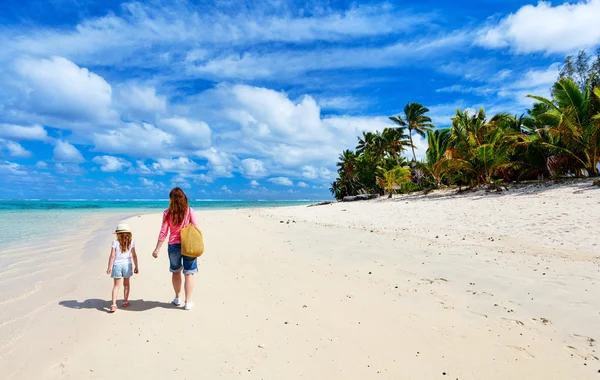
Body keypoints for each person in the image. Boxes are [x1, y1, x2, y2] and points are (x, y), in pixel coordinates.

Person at [152, 187, 199, 310]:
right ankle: (188, 302)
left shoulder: (167, 213)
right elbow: (196, 227)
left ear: (171, 200)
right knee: (189, 273)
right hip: (188, 245)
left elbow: (163, 232)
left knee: (176, 271)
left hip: (173, 245)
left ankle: (177, 298)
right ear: (184, 198)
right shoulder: (189, 211)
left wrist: (157, 249)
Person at [106, 223, 139, 313]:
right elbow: (134, 255)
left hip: (117, 265)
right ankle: (125, 301)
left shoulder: (115, 242)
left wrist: (109, 267)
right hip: (127, 265)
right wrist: (136, 266)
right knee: (126, 284)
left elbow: (112, 256)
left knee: (116, 286)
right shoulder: (131, 242)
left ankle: (113, 304)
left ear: (118, 234)